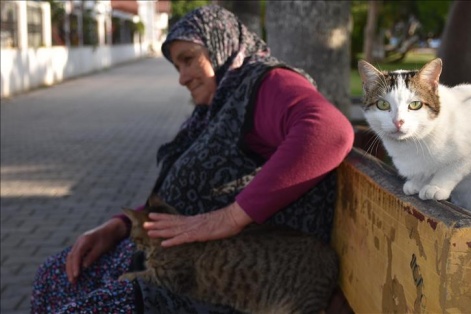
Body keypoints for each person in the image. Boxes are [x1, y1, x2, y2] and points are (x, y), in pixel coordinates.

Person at [31, 5, 354, 313]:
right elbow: (185, 197)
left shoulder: (265, 82)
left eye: (189, 60)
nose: (182, 78)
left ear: (221, 45)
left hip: (222, 285)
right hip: (173, 263)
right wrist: (120, 225)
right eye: (177, 66)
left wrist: (229, 217)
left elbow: (330, 132)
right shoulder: (219, 102)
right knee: (54, 275)